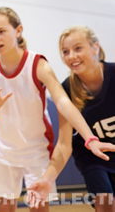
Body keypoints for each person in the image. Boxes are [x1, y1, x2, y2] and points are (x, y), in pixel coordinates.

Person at [0, 8, 113, 212]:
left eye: (1, 31)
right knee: (5, 206)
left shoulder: (38, 64)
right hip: (3, 147)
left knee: (39, 206)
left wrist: (90, 137)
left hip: (36, 148)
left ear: (18, 30)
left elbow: (63, 103)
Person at [27, 26, 115, 211]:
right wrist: (47, 179)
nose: (71, 56)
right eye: (65, 52)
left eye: (78, 48)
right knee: (105, 203)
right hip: (93, 159)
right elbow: (65, 144)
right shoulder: (66, 90)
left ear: (95, 47)